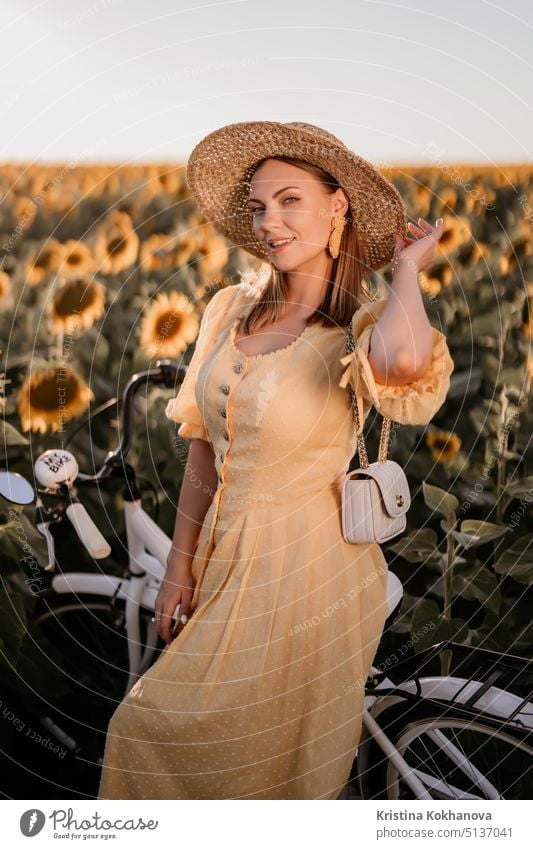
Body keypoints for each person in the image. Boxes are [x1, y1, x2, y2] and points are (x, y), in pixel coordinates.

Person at [97, 121, 454, 800]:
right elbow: (203, 446)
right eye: (259, 206)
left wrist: (405, 269)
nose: (270, 220)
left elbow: (405, 362)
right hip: (221, 562)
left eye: (290, 200)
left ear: (336, 204)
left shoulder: (355, 326)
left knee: (154, 733)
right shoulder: (229, 309)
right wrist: (179, 563)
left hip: (305, 576)